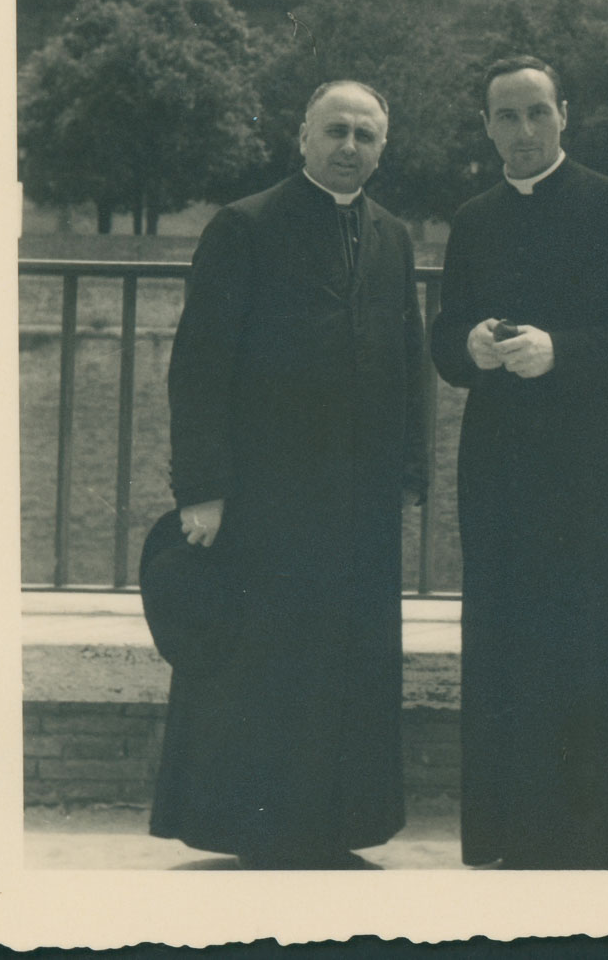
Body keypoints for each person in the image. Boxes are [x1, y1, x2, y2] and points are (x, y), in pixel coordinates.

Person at [149, 80, 427, 870]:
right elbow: (199, 365)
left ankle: (335, 830)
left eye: (365, 135)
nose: (349, 147)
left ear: (382, 149)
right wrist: (202, 489)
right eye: (335, 130)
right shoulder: (245, 226)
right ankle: (257, 831)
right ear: (302, 137)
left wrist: (410, 469)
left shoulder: (393, 235)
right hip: (267, 494)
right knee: (265, 660)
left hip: (361, 495)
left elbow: (406, 357)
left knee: (349, 659)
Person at [431, 56, 608, 870]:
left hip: (589, 464)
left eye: (537, 112)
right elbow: (445, 340)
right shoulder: (473, 218)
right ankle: (511, 834)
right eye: (507, 116)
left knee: (595, 637)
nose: (525, 131)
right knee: (504, 637)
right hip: (498, 462)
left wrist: (560, 352)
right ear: (486, 127)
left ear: (565, 114)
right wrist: (470, 346)